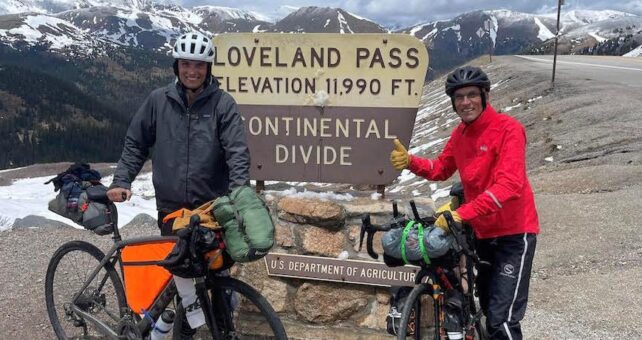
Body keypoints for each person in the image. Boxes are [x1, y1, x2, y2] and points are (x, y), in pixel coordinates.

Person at [107, 31, 250, 338]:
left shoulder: (222, 104)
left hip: (210, 211)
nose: (192, 71)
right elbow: (136, 143)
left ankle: (221, 332)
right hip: (172, 210)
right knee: (182, 282)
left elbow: (237, 152)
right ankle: (174, 331)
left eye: (199, 65)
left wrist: (239, 195)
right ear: (177, 66)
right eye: (186, 64)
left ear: (208, 69)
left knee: (215, 278)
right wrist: (122, 180)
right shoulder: (159, 101)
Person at [390, 66, 539, 340]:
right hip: (481, 235)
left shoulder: (509, 129)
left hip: (514, 235)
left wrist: (462, 213)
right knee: (483, 304)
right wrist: (410, 162)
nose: (465, 102)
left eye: (472, 95)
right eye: (459, 97)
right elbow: (441, 169)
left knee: (501, 319)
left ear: (485, 96)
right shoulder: (460, 135)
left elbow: (509, 185)